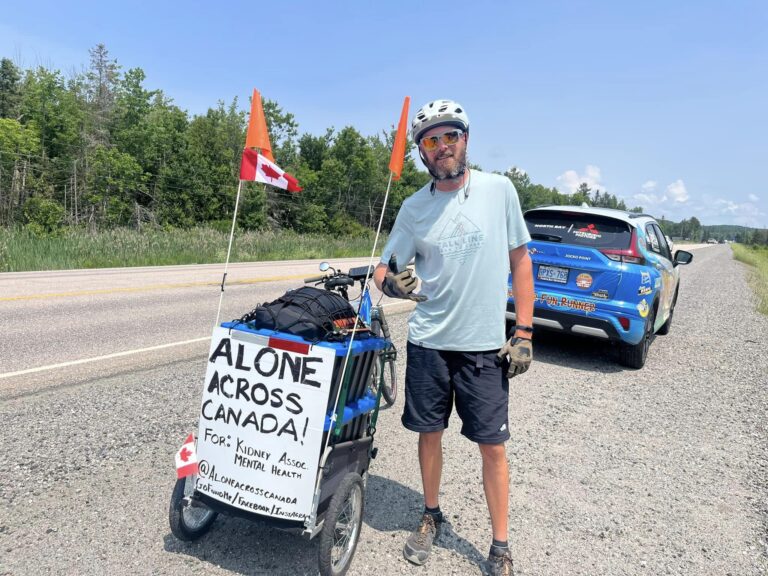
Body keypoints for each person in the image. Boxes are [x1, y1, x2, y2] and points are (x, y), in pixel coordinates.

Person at [373, 99, 535, 576]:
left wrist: (523, 331)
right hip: (428, 342)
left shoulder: (499, 190)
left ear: (466, 140)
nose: (442, 147)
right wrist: (389, 282)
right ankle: (430, 514)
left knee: (492, 445)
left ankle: (500, 544)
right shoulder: (414, 207)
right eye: (431, 140)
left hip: (484, 345)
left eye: (450, 136)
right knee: (429, 433)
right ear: (422, 152)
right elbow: (386, 266)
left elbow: (520, 262)